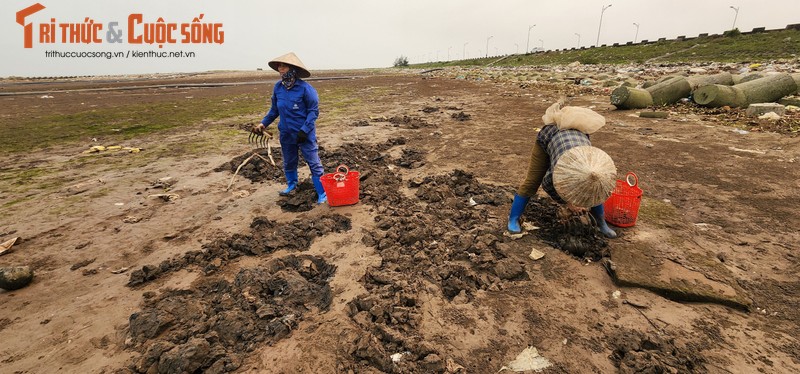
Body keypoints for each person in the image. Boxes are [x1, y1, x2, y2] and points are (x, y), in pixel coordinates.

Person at [507, 102, 618, 238]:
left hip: (577, 147)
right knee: (532, 182)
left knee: (593, 188)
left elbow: (596, 191)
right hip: (548, 139)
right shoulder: (561, 169)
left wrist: (583, 202)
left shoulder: (595, 163)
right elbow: (548, 184)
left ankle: (602, 224)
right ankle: (513, 219)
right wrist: (568, 202)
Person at [252, 52, 326, 204]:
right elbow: (274, 110)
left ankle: (322, 192)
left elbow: (313, 111)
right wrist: (263, 124)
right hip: (286, 133)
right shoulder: (278, 88)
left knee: (313, 162)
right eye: (279, 66)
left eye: (284, 66)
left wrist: (305, 130)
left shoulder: (306, 89)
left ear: (293, 69)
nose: (280, 69)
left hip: (304, 134)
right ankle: (292, 185)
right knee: (289, 161)